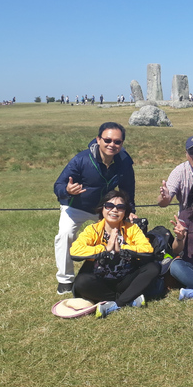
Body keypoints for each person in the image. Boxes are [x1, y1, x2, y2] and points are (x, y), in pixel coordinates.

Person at [53, 122, 136, 295]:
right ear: (98, 140)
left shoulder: (124, 161)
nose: (112, 145)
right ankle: (65, 280)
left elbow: (128, 188)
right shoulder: (81, 159)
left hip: (107, 209)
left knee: (119, 236)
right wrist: (67, 191)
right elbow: (58, 185)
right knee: (65, 234)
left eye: (117, 142)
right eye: (107, 140)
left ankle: (112, 274)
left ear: (122, 144)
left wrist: (130, 210)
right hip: (77, 206)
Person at [70, 190, 157, 318]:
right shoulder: (92, 230)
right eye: (109, 206)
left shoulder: (132, 228)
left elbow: (147, 249)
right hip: (101, 281)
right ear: (102, 209)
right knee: (81, 281)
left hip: (126, 279)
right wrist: (105, 249)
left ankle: (116, 304)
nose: (114, 210)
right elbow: (75, 251)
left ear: (125, 212)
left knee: (153, 268)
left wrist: (121, 249)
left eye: (120, 207)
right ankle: (128, 299)